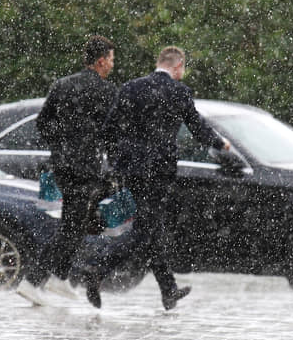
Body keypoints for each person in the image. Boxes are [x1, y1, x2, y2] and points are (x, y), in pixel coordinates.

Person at [85, 46, 230, 310]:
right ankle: (96, 270)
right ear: (177, 66)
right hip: (159, 172)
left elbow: (109, 129)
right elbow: (197, 126)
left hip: (132, 171)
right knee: (145, 231)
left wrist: (118, 161)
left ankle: (168, 289)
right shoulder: (179, 92)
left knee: (152, 229)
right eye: (183, 69)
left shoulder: (131, 87)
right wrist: (220, 144)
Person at [16, 35, 117, 304]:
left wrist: (62, 144)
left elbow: (42, 123)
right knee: (71, 228)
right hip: (85, 168)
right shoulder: (106, 91)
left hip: (62, 164)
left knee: (75, 223)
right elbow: (113, 131)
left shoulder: (62, 85)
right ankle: (32, 281)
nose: (112, 64)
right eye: (110, 59)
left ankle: (59, 277)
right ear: (100, 61)